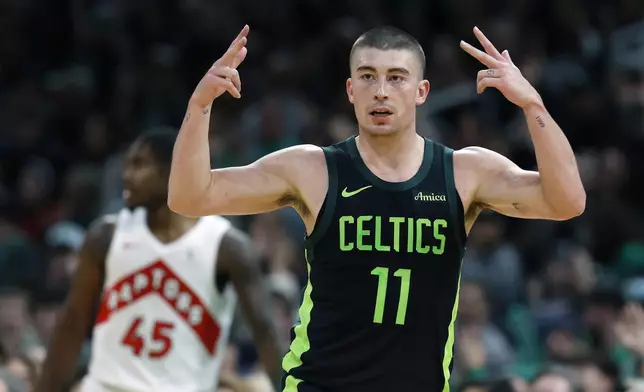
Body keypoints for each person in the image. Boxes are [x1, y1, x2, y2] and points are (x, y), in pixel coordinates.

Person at [168, 24, 585, 392]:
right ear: (351, 90)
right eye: (367, 77)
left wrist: (533, 106)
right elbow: (190, 197)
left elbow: (566, 201)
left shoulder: (463, 171)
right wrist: (200, 104)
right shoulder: (313, 168)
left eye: (397, 78)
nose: (381, 90)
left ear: (422, 92)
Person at [35, 132, 283, 392]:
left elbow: (265, 333)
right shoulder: (106, 236)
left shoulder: (226, 247)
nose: (126, 175)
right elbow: (72, 324)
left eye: (140, 165)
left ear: (172, 172)